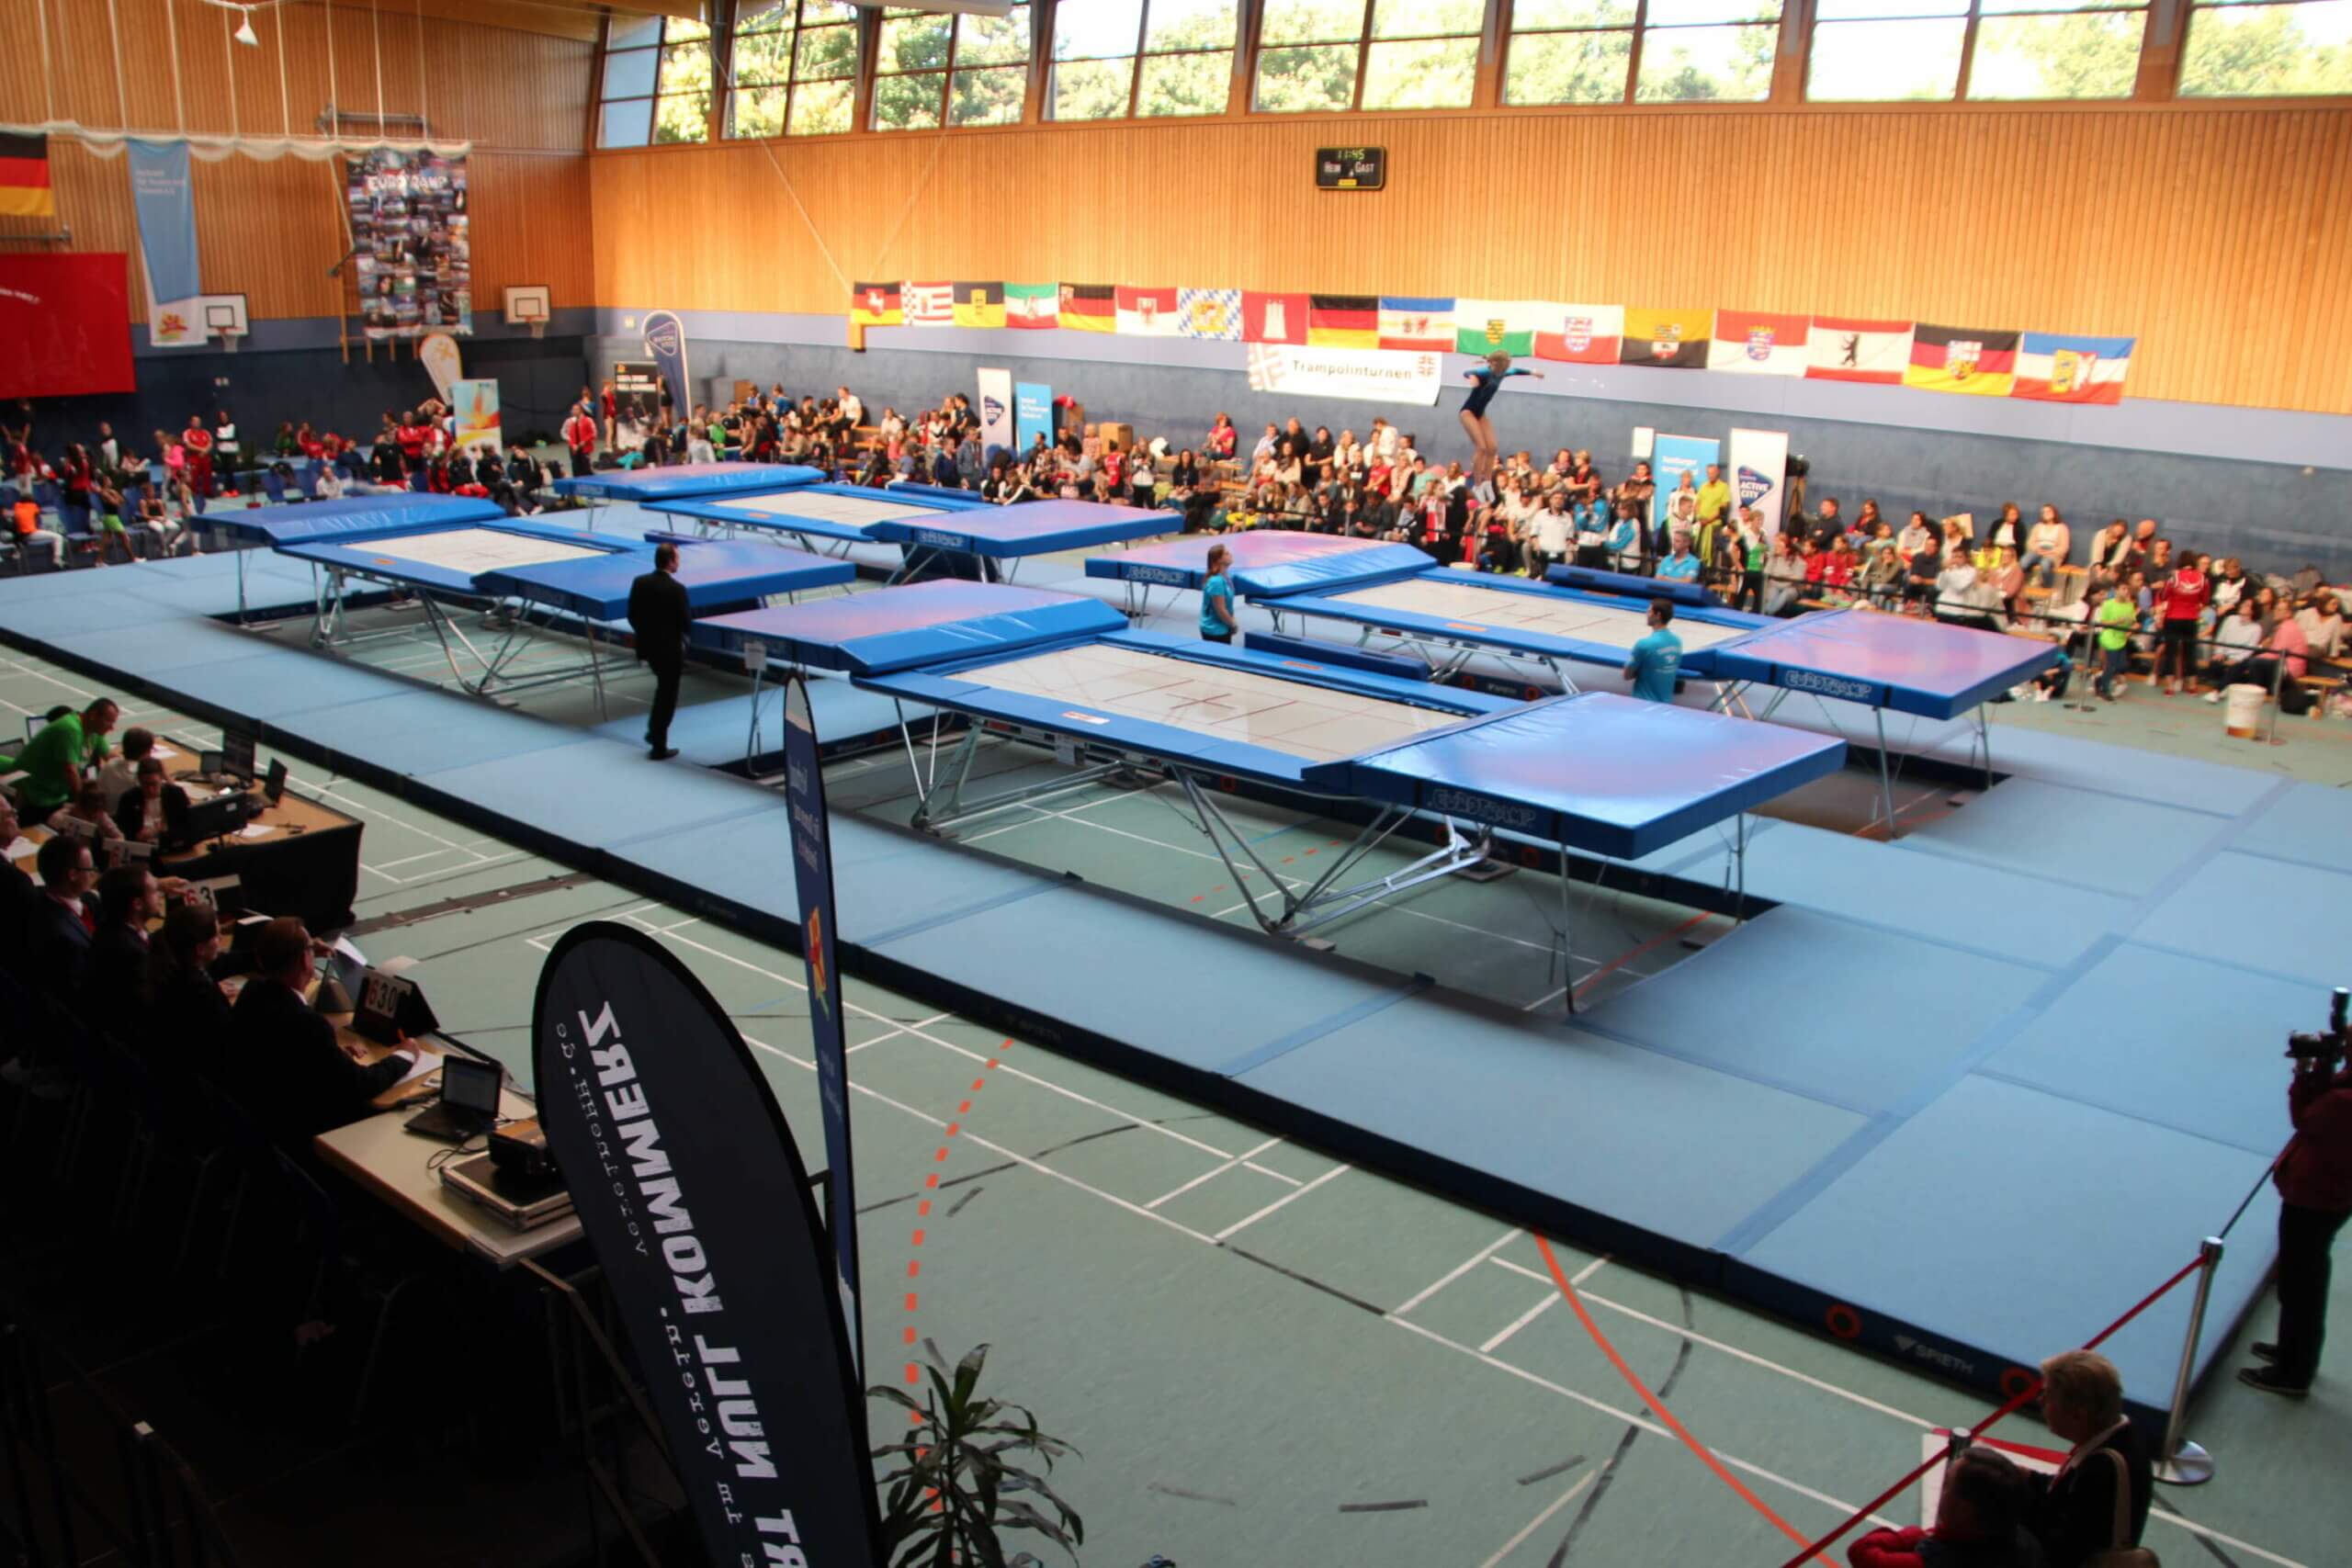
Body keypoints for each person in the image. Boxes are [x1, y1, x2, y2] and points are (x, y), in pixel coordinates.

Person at [229, 918, 430, 1148]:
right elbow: (360, 1086)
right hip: (300, 1134)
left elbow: (285, 1055)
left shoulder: (250, 996)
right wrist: (404, 1056)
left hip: (259, 1120)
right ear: (305, 960)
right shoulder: (306, 1023)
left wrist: (331, 1055)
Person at [2243, 1025, 2352, 1396]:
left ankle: (2293, 1371)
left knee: (2303, 1282)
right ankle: (2292, 1351)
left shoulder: (2343, 1102)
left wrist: (2308, 1072)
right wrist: (2321, 1069)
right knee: (2300, 1277)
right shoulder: (2344, 1088)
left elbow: (2304, 1117)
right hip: (2325, 1196)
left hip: (2316, 1198)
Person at [2025, 1350, 2148, 1568]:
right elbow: (2066, 1499)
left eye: (2049, 1397)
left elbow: (2062, 1551)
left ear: (2078, 1414)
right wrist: (2027, 1477)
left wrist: (2012, 1504)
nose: (2040, 1400)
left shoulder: (2102, 1471)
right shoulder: (2122, 1435)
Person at [1849, 1445, 2042, 1567]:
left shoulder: (1935, 1561)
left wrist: (1914, 1535)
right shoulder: (2024, 1540)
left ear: (1965, 1508)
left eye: (1947, 1484)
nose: (1941, 1489)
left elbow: (1861, 1552)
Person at [148, 902, 235, 1080]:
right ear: (200, 949)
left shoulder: (172, 972)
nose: (220, 938)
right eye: (217, 935)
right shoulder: (201, 992)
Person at [627, 542, 690, 761]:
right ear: (670, 561)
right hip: (670, 650)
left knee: (662, 691)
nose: (679, 562)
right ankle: (658, 744)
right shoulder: (677, 589)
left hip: (648, 647)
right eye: (678, 559)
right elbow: (685, 623)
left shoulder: (640, 583)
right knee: (667, 696)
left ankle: (654, 733)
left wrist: (646, 634)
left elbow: (632, 616)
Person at [8, 697, 118, 818]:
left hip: (56, 794)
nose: (112, 727)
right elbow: (70, 771)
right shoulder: (70, 729)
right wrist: (83, 805)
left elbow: (110, 757)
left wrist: (130, 765)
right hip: (34, 795)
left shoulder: (93, 730)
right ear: (93, 715)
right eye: (108, 721)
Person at [1458, 352, 1542, 489]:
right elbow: (1468, 372)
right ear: (1495, 364)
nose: (1505, 369)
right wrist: (1472, 377)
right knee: (1482, 447)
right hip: (1468, 412)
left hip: (1480, 414)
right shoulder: (1485, 371)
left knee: (1492, 448)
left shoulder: (1502, 372)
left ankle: (1487, 482)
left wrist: (1533, 372)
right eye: (1504, 366)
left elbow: (1516, 371)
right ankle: (1477, 483)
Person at [2154, 550, 2209, 694]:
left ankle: (2170, 687)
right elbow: (2205, 599)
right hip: (2191, 619)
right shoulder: (2203, 578)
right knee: (2190, 652)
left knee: (2170, 652)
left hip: (2173, 618)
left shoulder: (2174, 577)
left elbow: (2164, 595)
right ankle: (2192, 687)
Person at [114, 756, 193, 847]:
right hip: (140, 848)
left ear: (161, 779)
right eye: (146, 785)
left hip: (171, 845)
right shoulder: (128, 799)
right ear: (139, 780)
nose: (150, 790)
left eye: (154, 784)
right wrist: (136, 836)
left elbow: (188, 826)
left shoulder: (176, 794)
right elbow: (122, 830)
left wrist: (160, 832)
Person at [1623, 599, 1682, 704]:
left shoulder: (1644, 644)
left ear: (1658, 615)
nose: (1646, 614)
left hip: (1642, 703)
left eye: (1649, 611)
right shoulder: (1677, 642)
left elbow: (1627, 675)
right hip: (1666, 704)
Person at [1199, 544, 1238, 646]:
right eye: (1227, 553)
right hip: (1214, 630)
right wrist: (1233, 624)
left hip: (1223, 626)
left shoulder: (1226, 577)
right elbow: (1220, 609)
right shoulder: (1216, 581)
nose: (1230, 555)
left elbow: (1227, 605)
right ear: (1219, 560)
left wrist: (1231, 620)